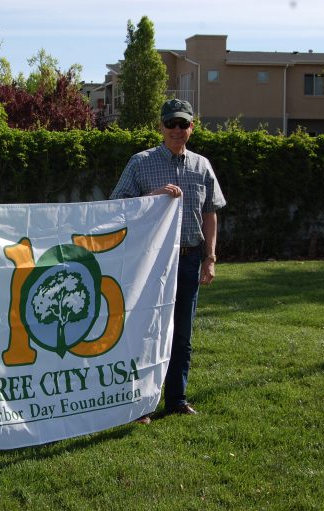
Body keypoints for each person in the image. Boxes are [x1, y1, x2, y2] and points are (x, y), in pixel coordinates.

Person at [110, 98, 226, 421]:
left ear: (192, 127)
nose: (177, 130)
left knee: (182, 333)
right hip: (151, 262)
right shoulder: (140, 163)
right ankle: (141, 404)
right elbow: (117, 205)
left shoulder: (202, 167)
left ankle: (176, 400)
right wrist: (153, 196)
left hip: (190, 260)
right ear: (160, 127)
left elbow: (210, 213)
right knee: (145, 330)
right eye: (171, 124)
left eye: (183, 124)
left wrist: (210, 257)